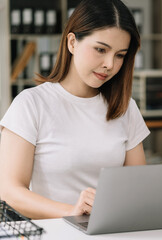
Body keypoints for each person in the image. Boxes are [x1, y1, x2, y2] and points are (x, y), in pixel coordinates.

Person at [0, 0, 150, 219]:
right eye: (101, 49)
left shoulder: (125, 107)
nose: (110, 64)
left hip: (112, 231)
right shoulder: (31, 104)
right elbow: (9, 192)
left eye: (120, 55)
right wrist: (72, 212)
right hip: (56, 231)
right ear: (72, 42)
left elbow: (140, 187)